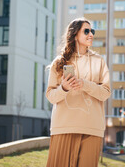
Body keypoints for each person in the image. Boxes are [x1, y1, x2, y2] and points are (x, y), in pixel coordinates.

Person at [46, 18, 111, 167]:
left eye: (92, 31)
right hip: (63, 126)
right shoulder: (60, 62)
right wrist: (64, 88)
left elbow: (106, 93)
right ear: (75, 34)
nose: (91, 35)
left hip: (92, 128)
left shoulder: (99, 61)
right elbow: (50, 96)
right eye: (86, 31)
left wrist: (85, 84)